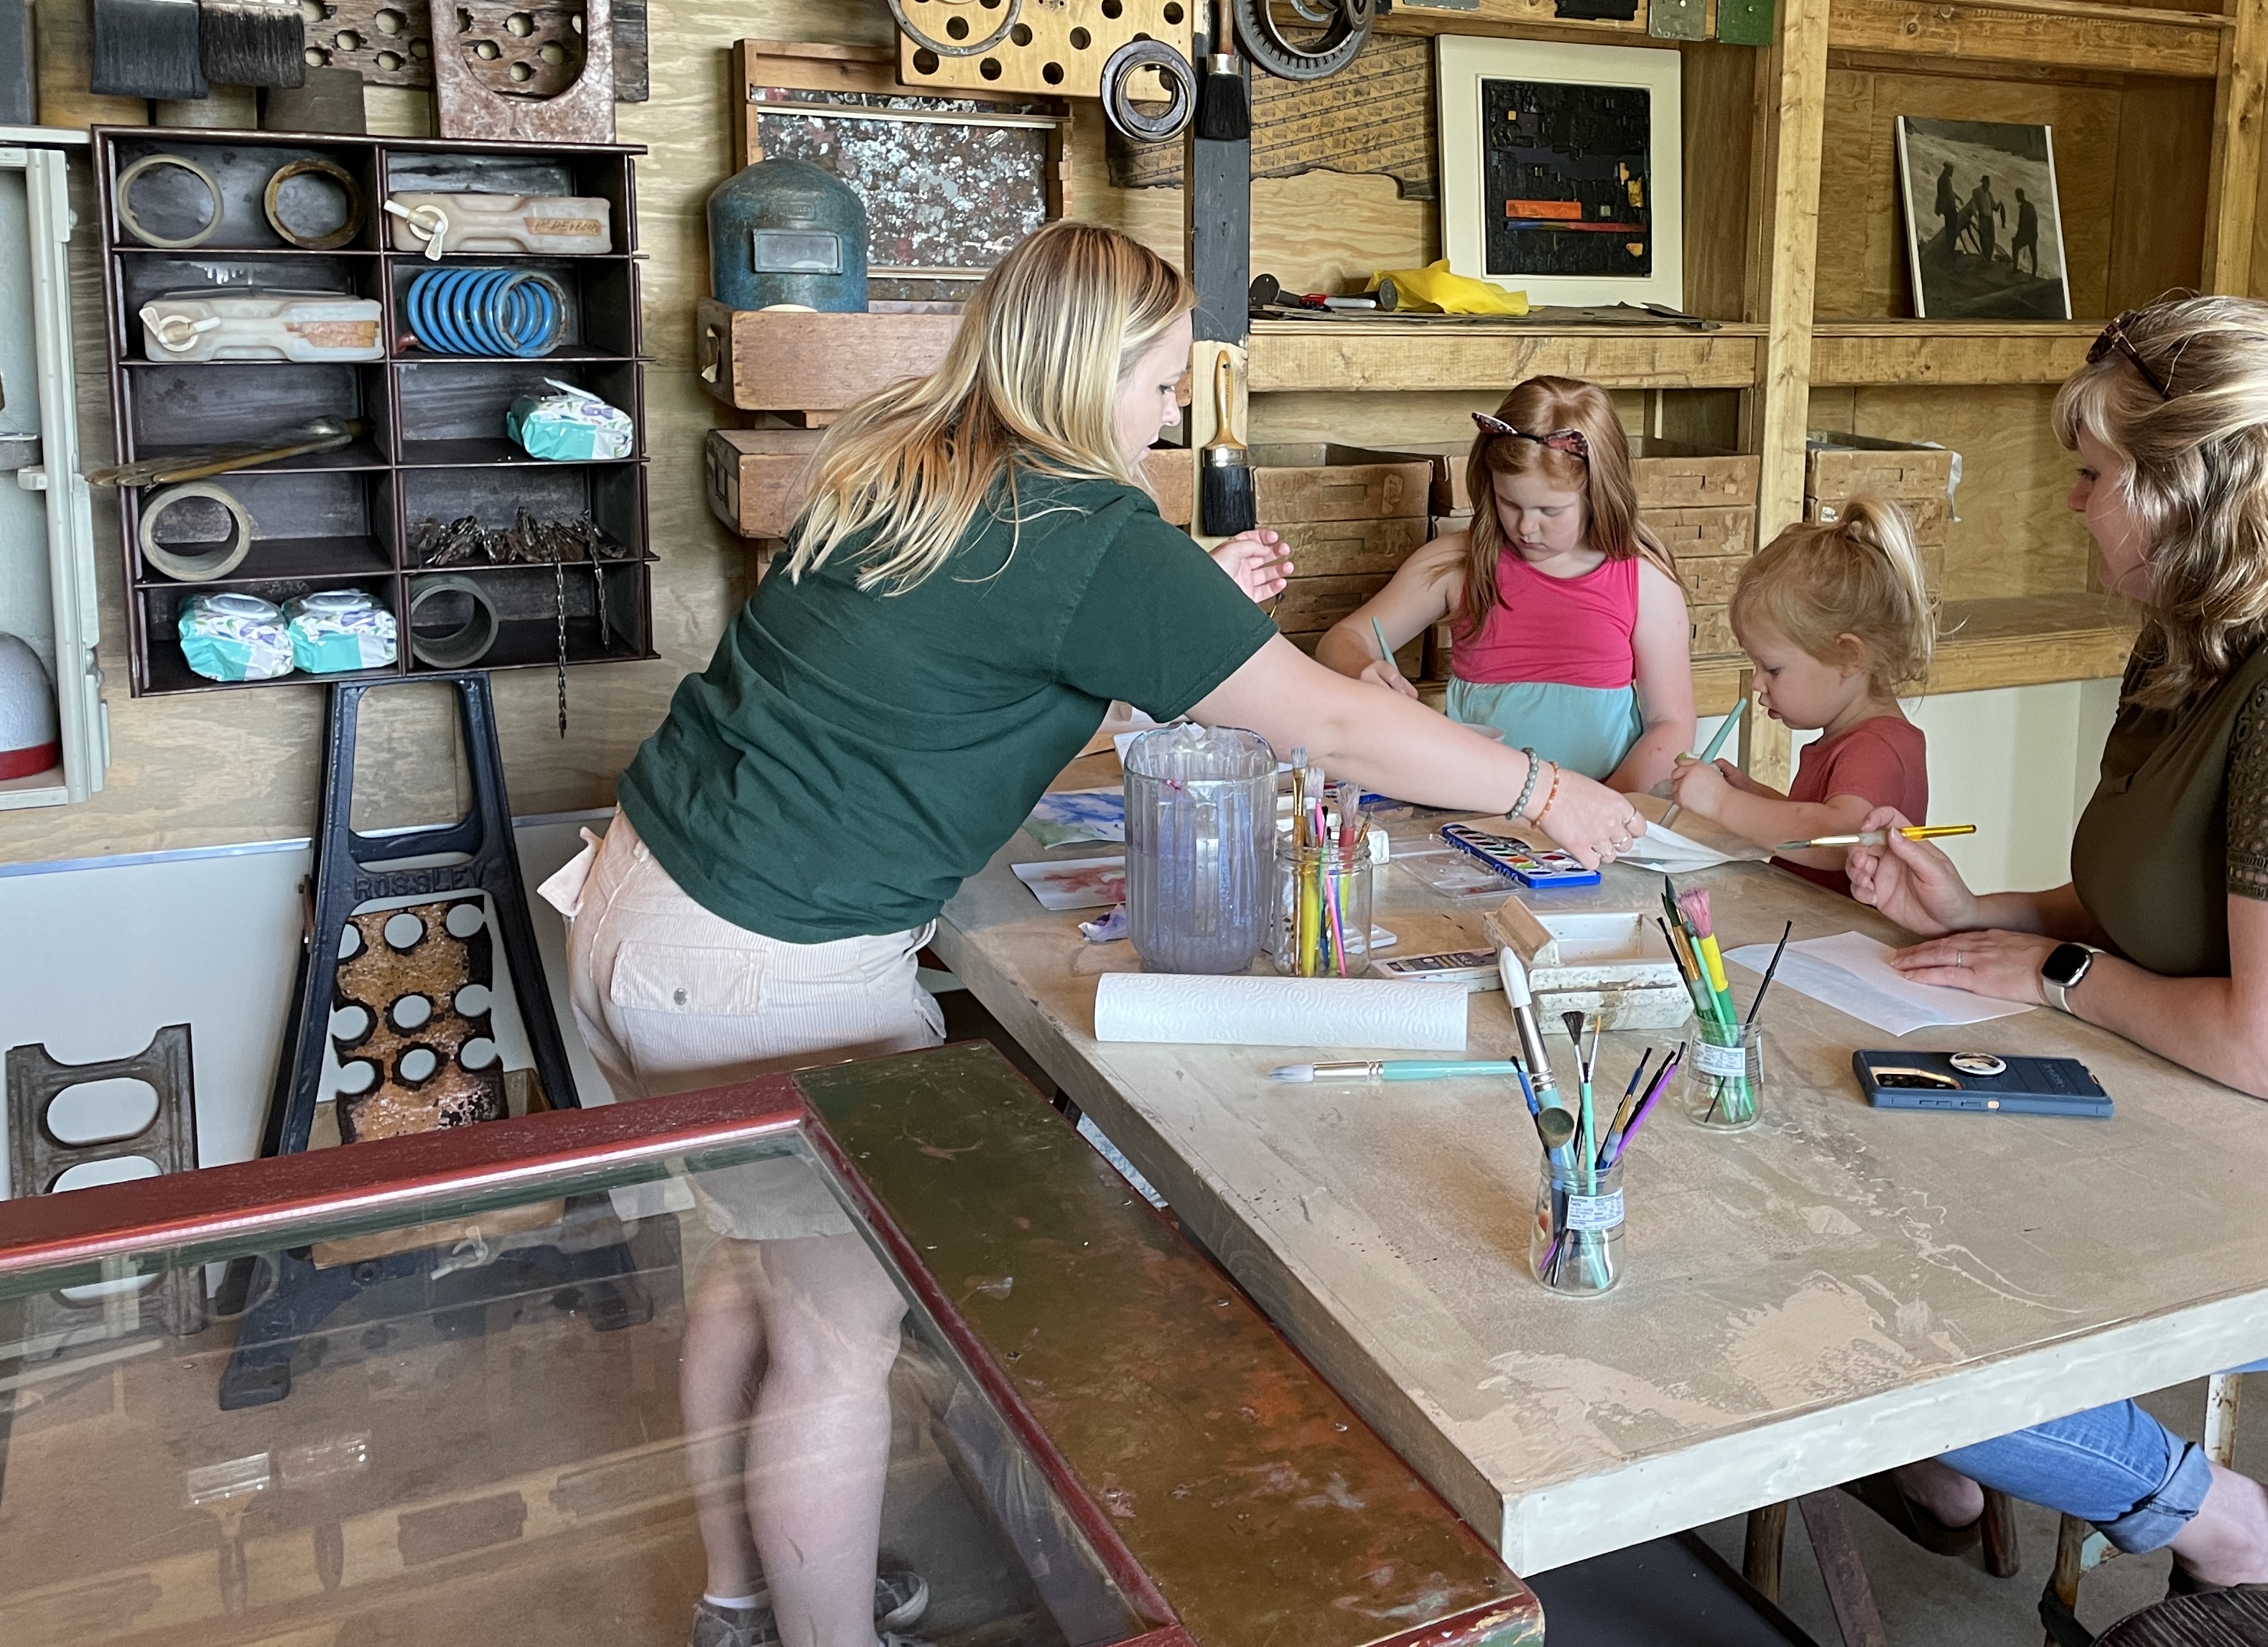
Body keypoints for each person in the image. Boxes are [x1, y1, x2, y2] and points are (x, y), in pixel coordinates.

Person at [542, 224, 1645, 1647]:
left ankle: (743, 1590)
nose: (1175, 410)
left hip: (638, 905)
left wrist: (1188, 604)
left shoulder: (910, 452)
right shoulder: (1088, 529)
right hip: (768, 962)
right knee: (835, 1344)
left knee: (749, 1277)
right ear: (1092, 370)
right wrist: (1548, 791)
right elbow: (1328, 717)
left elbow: (991, 649)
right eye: (1165, 380)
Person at [1838, 292, 2268, 1595]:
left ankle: (2219, 1519)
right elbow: (2177, 905)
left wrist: (2053, 973)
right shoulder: (2206, 638)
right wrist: (1990, 912)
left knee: (1884, 1297)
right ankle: (1963, 1459)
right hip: (2214, 1108)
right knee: (1844, 1195)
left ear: (2193, 488)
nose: (2075, 504)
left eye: (2091, 476)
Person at [1318, 376, 1696, 790]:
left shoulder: (1644, 580)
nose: (1526, 527)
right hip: (1477, 811)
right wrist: (1363, 668)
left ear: (1599, 494)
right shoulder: (1455, 564)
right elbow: (1341, 640)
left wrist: (1608, 803)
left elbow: (1670, 722)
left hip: (1603, 820)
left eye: (1551, 510)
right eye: (1509, 503)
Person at [1666, 497, 1934, 880]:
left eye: (1772, 668)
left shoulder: (1878, 747)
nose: (1757, 683)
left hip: (1852, 939)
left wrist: (1722, 802)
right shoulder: (1852, 735)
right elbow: (1810, 819)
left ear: (1848, 657)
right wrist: (1750, 795)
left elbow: (1839, 839)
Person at [2013, 188, 2040, 277]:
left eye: (2017, 196)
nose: (2016, 198)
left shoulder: (2023, 208)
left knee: (2015, 246)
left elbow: (2022, 225)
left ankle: (2014, 270)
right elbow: (2035, 220)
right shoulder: (2030, 205)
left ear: (2020, 196)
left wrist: (2017, 237)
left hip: (2027, 235)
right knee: (2033, 253)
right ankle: (2034, 274)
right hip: (2033, 234)